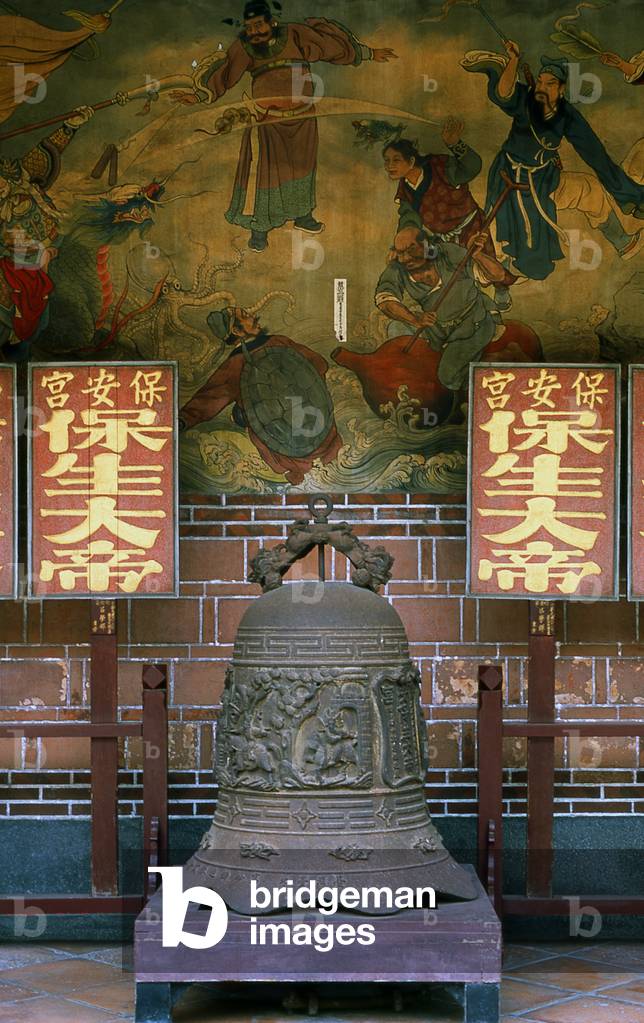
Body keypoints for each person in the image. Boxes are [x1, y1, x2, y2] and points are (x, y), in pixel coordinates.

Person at [174, 1, 396, 251]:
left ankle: (303, 215)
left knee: (302, 169)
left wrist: (367, 53)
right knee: (268, 173)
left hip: (303, 119)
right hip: (269, 122)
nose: (255, 32)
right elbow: (226, 74)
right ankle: (260, 228)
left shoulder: (294, 34)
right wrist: (200, 96)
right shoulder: (245, 47)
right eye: (249, 27)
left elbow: (328, 46)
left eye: (259, 25)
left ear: (271, 22)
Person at [462, 47, 644, 280]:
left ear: (561, 89)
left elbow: (596, 155)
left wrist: (631, 194)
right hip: (509, 179)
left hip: (544, 179)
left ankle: (621, 240)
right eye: (540, 81)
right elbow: (503, 94)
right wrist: (514, 60)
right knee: (497, 233)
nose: (541, 87)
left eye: (550, 84)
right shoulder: (526, 99)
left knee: (590, 189)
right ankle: (501, 289)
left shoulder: (567, 115)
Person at [179, 305, 341, 485]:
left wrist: (184, 420)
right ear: (236, 330)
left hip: (287, 443)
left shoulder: (238, 362)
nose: (253, 316)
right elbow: (319, 364)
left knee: (254, 425)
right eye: (245, 315)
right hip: (319, 426)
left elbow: (211, 398)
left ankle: (296, 475)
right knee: (335, 462)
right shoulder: (277, 343)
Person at [383, 117, 515, 309]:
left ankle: (502, 290)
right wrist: (403, 242)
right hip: (442, 237)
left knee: (485, 261)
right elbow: (408, 217)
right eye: (387, 161)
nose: (389, 166)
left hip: (470, 226)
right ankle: (472, 306)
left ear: (411, 160)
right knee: (454, 274)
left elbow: (472, 167)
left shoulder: (440, 166)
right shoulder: (405, 189)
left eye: (396, 160)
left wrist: (455, 144)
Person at [0, 106, 94, 361]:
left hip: (32, 257)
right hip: (13, 259)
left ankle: (21, 344)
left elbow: (43, 154)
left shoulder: (23, 181)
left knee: (34, 298)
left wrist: (69, 126)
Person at [374, 226, 507, 392]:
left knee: (447, 376)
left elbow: (498, 275)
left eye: (411, 250)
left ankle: (474, 390)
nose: (406, 258)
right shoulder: (397, 268)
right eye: (400, 253)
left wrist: (476, 255)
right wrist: (415, 319)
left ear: (426, 244)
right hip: (438, 328)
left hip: (473, 323)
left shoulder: (448, 253)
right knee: (395, 328)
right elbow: (385, 300)